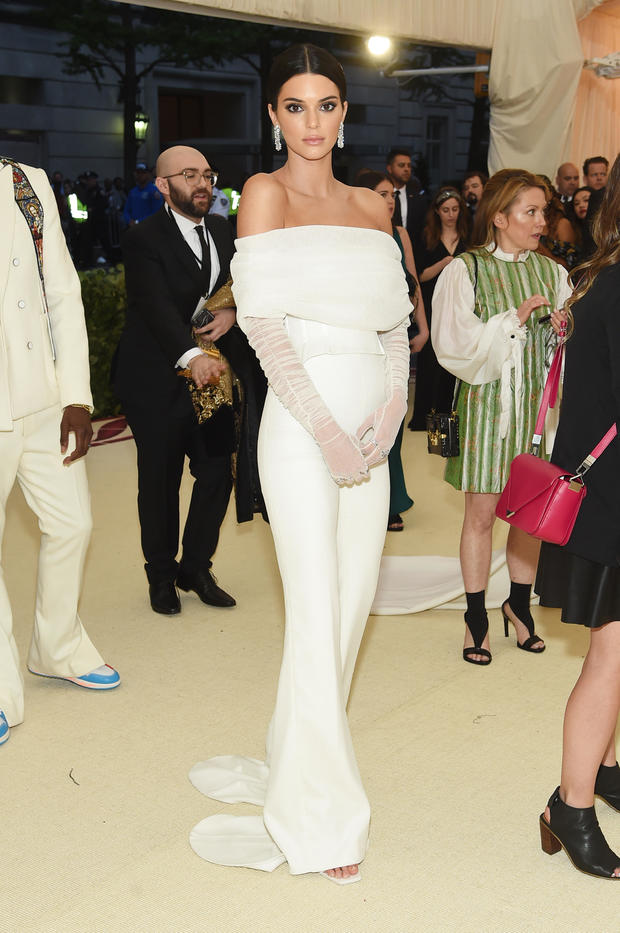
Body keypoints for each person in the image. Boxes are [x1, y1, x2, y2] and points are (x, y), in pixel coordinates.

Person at [188, 44, 411, 883]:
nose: (311, 121)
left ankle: (297, 754)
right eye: (294, 106)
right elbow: (264, 326)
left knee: (349, 610)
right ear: (273, 116)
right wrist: (324, 427)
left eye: (326, 105)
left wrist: (388, 413)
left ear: (344, 114)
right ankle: (320, 819)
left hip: (372, 424)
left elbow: (394, 325)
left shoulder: (371, 205)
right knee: (315, 609)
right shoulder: (263, 193)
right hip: (300, 424)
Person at [0, 158, 120, 745]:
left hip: (43, 398)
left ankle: (57, 647)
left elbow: (63, 294)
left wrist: (77, 395)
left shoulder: (27, 180)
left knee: (73, 523)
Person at [431, 169, 572, 665]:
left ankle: (518, 604)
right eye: (531, 211)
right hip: (488, 407)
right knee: (482, 515)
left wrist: (560, 329)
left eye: (543, 211)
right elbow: (455, 347)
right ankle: (475, 616)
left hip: (535, 410)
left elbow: (563, 350)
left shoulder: (553, 273)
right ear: (499, 217)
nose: (541, 221)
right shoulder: (464, 269)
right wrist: (512, 320)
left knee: (529, 518)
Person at [535, 153, 620, 880]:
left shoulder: (601, 276)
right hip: (613, 505)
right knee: (611, 657)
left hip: (609, 498)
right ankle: (573, 804)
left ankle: (608, 768)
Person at [113, 145, 243, 616]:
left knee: (215, 474)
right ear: (163, 185)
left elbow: (245, 279)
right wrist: (191, 356)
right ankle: (162, 575)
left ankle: (196, 567)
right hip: (156, 378)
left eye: (207, 174)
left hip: (214, 379)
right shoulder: (142, 237)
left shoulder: (227, 231)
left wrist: (231, 309)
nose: (202, 183)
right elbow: (154, 307)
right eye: (189, 175)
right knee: (160, 480)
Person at [355, 169, 429, 530]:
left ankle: (391, 499)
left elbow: (412, 280)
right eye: (382, 193)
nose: (389, 199)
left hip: (397, 333)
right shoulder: (352, 234)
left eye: (391, 193)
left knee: (394, 415)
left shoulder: (400, 234)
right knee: (364, 413)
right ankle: (365, 497)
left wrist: (424, 326)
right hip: (362, 336)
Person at [409, 186, 469, 430]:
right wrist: (445, 263)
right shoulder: (427, 237)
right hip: (433, 303)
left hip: (460, 304)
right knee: (430, 359)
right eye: (446, 210)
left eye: (455, 209)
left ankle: (449, 415)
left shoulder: (467, 237)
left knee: (455, 357)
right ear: (437, 211)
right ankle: (425, 417)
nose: (451, 214)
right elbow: (419, 276)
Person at [386, 147, 429, 242]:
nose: (406, 169)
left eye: (409, 166)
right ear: (389, 168)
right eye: (401, 165)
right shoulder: (381, 195)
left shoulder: (417, 196)